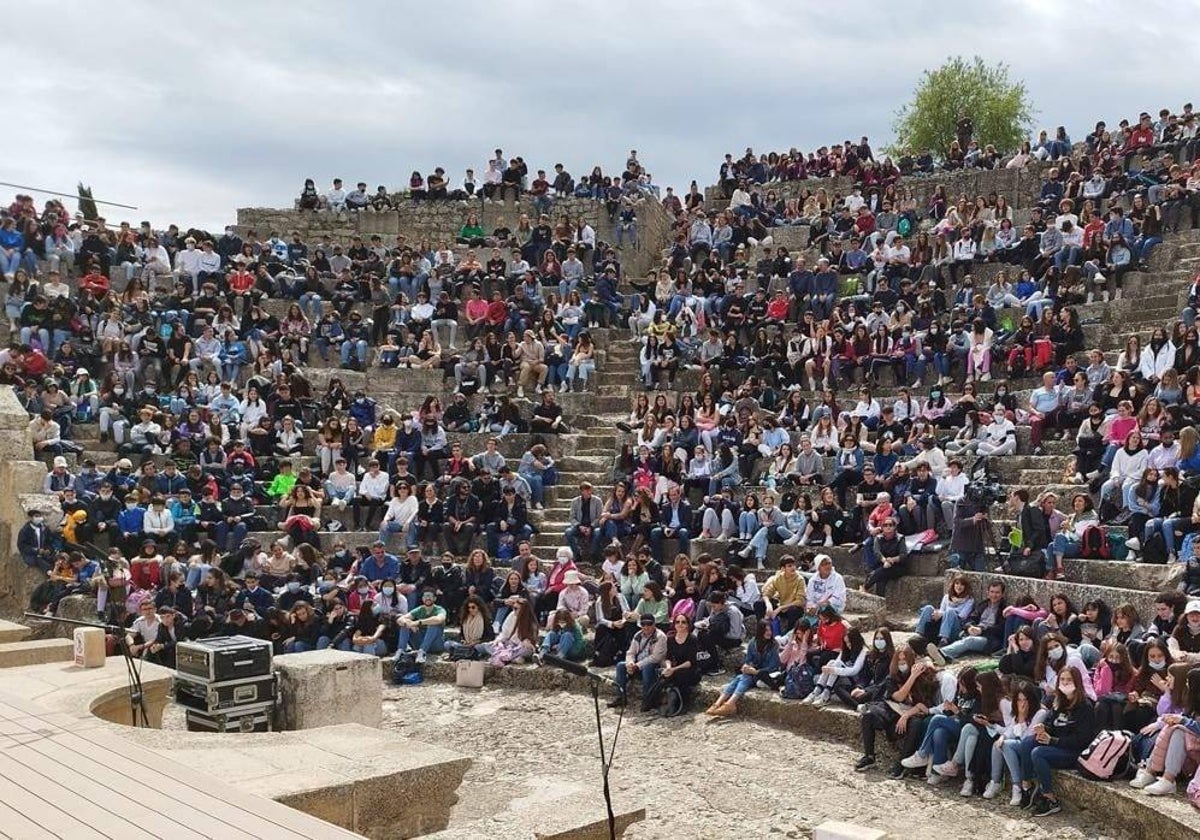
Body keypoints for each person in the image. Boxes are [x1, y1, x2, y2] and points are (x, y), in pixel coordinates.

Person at [1012, 665, 1096, 816]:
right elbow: (1051, 725)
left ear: (1077, 682)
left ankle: (1050, 799)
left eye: (1069, 680)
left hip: (1072, 751)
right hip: (1056, 743)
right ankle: (1027, 786)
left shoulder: (1085, 707)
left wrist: (1053, 740)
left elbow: (1082, 740)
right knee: (1028, 742)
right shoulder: (1059, 702)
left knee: (1038, 753)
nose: (1065, 683)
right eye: (1062, 679)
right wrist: (1043, 728)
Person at [705, 620, 780, 717]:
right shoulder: (753, 642)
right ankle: (719, 704)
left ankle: (728, 703)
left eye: (770, 630)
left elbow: (773, 666)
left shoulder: (774, 644)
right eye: (766, 630)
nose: (769, 633)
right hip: (753, 673)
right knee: (740, 677)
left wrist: (756, 671)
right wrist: (746, 666)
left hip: (765, 675)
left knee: (744, 677)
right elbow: (748, 660)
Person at [609, 614, 667, 711]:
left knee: (648, 667)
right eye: (643, 624)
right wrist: (630, 663)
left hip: (654, 667)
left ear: (654, 625)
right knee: (620, 666)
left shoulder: (660, 637)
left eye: (649, 624)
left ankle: (648, 699)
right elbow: (631, 652)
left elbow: (656, 657)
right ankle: (621, 697)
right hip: (637, 665)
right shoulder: (638, 635)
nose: (646, 627)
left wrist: (637, 665)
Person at [394, 588, 446, 662]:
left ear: (434, 598)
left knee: (434, 624)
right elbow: (400, 620)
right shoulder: (419, 609)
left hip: (435, 643)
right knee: (405, 624)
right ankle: (401, 650)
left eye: (430, 596)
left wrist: (417, 622)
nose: (428, 598)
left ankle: (422, 652)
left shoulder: (439, 609)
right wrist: (409, 624)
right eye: (425, 596)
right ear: (422, 599)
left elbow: (439, 619)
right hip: (419, 641)